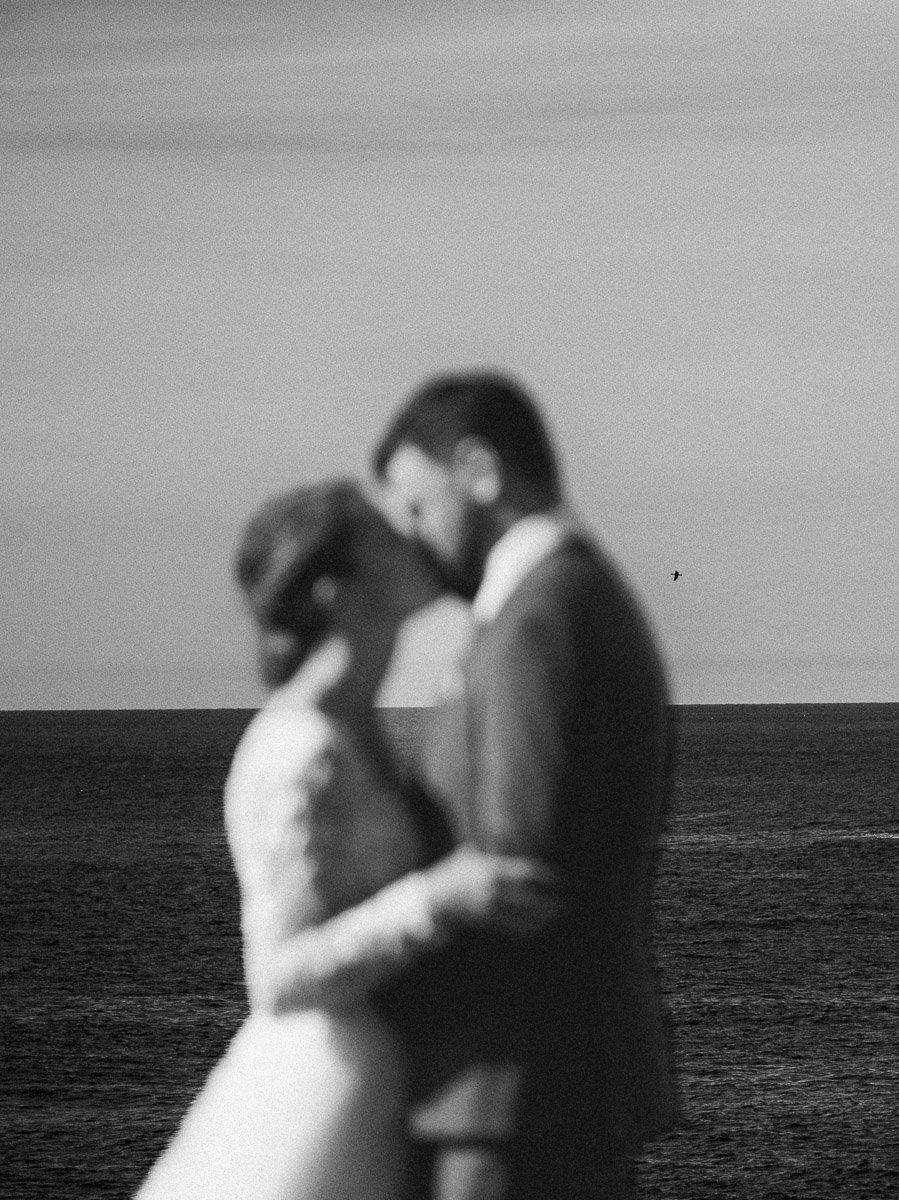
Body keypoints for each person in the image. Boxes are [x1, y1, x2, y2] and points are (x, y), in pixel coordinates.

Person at [136, 481, 561, 1200]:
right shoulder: (296, 749)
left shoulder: (356, 731)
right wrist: (438, 900)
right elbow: (279, 978)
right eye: (386, 538)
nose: (416, 540)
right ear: (335, 592)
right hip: (320, 1098)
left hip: (388, 1082)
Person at [371, 372, 678, 1200]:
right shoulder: (559, 604)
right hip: (536, 1089)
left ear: (479, 470)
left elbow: (515, 872)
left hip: (515, 1095)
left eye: (415, 506)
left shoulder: (539, 622)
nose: (410, 538)